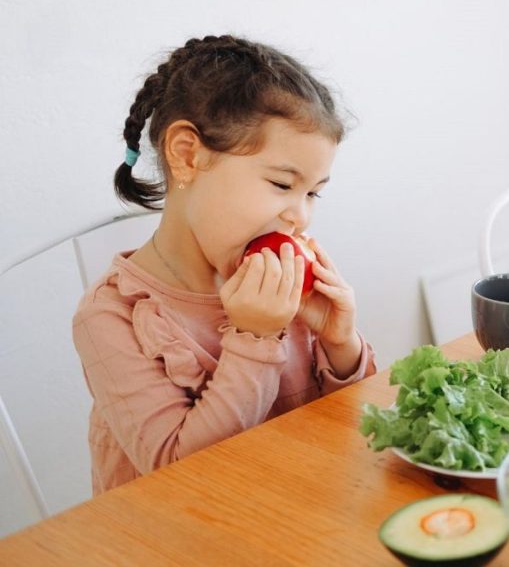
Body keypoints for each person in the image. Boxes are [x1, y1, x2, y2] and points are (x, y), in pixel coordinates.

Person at [72, 35, 377, 494]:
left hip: (293, 503)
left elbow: (355, 428)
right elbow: (179, 475)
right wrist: (254, 338)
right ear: (188, 155)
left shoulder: (280, 280)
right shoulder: (110, 317)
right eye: (281, 183)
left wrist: (341, 345)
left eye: (312, 192)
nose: (301, 215)